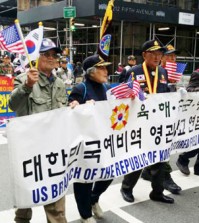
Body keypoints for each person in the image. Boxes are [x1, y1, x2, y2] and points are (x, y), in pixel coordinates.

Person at [8, 38, 68, 223]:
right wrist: (27, 86)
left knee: (56, 205)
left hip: (53, 151)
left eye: (54, 55)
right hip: (29, 151)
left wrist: (74, 108)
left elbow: (62, 113)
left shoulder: (59, 83)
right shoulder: (25, 78)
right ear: (36, 58)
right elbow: (12, 105)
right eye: (46, 54)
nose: (51, 58)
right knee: (25, 202)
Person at [120, 39, 174, 204]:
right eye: (154, 53)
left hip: (158, 124)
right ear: (144, 55)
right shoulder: (134, 72)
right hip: (139, 124)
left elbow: (165, 95)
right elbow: (121, 96)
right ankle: (126, 188)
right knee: (138, 158)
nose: (157, 57)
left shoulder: (163, 72)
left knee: (160, 159)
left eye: (160, 54)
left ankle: (157, 192)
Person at [68, 54, 113, 223]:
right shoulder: (81, 88)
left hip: (104, 139)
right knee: (85, 179)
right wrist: (79, 107)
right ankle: (85, 214)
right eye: (102, 68)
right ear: (91, 71)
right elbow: (70, 112)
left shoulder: (106, 87)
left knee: (109, 172)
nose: (106, 71)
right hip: (86, 143)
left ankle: (94, 199)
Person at [141, 44, 182, 195]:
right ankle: (133, 182)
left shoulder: (164, 73)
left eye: (174, 56)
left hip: (161, 121)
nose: (173, 59)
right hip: (143, 122)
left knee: (162, 150)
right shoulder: (138, 71)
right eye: (169, 56)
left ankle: (161, 176)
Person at [176, 69, 199, 176]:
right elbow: (190, 89)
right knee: (196, 142)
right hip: (196, 113)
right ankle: (183, 159)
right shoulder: (197, 73)